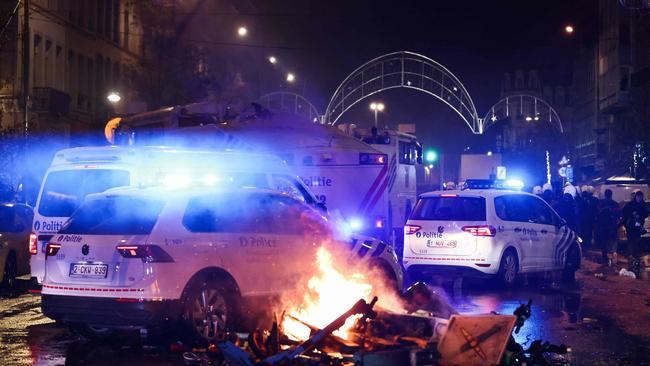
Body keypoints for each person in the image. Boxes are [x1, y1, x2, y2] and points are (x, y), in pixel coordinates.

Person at [621, 190, 648, 276]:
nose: (639, 199)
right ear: (635, 197)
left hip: (638, 228)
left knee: (636, 242)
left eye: (640, 197)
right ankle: (631, 258)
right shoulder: (630, 205)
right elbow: (625, 213)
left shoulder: (643, 205)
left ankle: (634, 258)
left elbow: (646, 213)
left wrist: (639, 216)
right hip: (631, 227)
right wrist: (632, 216)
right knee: (631, 242)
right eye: (638, 197)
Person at [596, 189, 620, 266]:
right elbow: (618, 215)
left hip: (607, 227)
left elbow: (617, 215)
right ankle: (609, 259)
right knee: (609, 243)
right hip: (608, 226)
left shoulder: (603, 203)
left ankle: (607, 259)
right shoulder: (612, 204)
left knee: (606, 243)